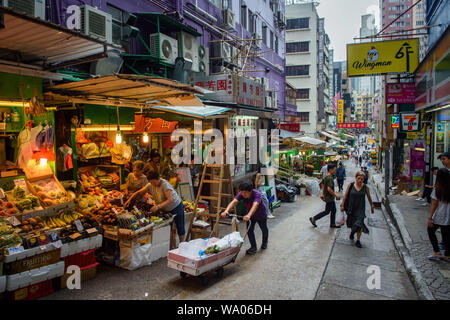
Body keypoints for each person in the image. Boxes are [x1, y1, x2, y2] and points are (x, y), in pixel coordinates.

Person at [125, 171, 185, 243]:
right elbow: (139, 192)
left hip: (176, 207)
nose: (152, 184)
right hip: (165, 209)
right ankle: (171, 247)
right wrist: (129, 200)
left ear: (158, 179)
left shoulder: (165, 185)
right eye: (150, 182)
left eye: (153, 182)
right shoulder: (150, 185)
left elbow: (170, 199)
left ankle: (182, 244)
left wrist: (157, 207)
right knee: (169, 229)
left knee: (180, 227)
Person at [221, 182, 268, 255]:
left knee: (264, 228)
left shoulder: (257, 194)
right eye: (242, 192)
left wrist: (248, 215)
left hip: (260, 214)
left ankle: (264, 243)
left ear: (251, 191)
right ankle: (253, 247)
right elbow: (234, 202)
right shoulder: (241, 194)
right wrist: (226, 211)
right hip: (250, 215)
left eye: (245, 193)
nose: (243, 194)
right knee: (249, 231)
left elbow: (255, 205)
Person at [340, 171, 374, 248]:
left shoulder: (366, 187)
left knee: (359, 224)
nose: (360, 180)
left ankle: (358, 240)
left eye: (362, 179)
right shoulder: (351, 185)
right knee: (352, 223)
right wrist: (342, 205)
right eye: (358, 178)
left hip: (360, 209)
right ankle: (352, 232)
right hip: (351, 208)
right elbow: (345, 196)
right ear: (356, 178)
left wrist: (372, 206)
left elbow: (369, 197)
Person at [426, 168, 450, 262]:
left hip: (439, 215)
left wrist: (430, 217)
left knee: (430, 230)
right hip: (448, 216)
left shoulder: (437, 189)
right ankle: (447, 254)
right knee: (446, 234)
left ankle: (437, 251)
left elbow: (434, 204)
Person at [310, 164, 341, 229]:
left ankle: (332, 224)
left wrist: (323, 194)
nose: (335, 171)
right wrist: (336, 196)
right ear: (330, 170)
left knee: (333, 210)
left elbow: (323, 185)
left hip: (328, 197)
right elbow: (329, 189)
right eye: (334, 170)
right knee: (327, 211)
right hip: (329, 198)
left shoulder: (326, 177)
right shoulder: (329, 178)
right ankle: (314, 218)